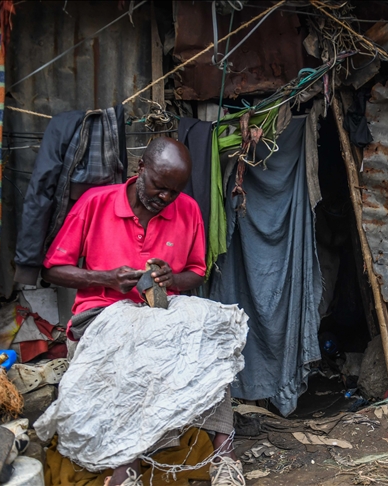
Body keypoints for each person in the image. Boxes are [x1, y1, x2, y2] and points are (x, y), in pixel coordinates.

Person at [42, 138, 244, 486]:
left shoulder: (189, 210)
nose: (165, 197)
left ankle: (224, 453)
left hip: (159, 311)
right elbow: (53, 269)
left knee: (214, 334)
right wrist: (106, 277)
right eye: (159, 187)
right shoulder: (97, 203)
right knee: (141, 345)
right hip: (102, 313)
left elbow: (197, 272)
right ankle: (127, 466)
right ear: (141, 169)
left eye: (174, 191)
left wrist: (171, 277)